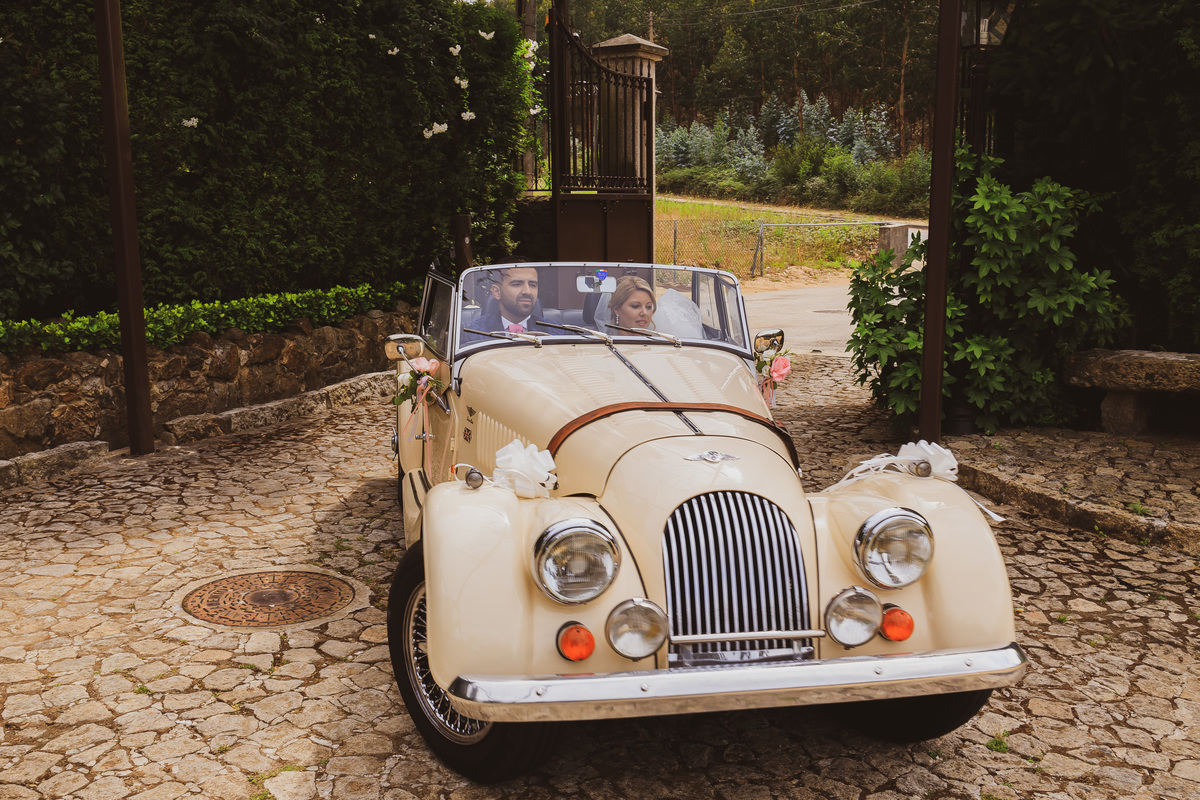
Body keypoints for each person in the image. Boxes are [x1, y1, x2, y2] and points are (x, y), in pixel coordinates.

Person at [468, 265, 546, 337]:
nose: (527, 291)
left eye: (533, 285)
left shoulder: (554, 331)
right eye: (516, 284)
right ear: (497, 292)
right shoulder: (471, 333)